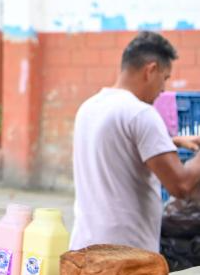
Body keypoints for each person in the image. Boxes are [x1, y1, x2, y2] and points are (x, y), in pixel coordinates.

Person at [71, 31, 200, 252]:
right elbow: (180, 185)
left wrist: (172, 141)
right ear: (151, 70)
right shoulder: (141, 114)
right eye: (165, 78)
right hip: (126, 257)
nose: (163, 89)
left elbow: (119, 146)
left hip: (84, 249)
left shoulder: (90, 107)